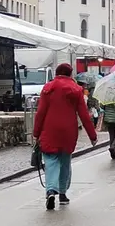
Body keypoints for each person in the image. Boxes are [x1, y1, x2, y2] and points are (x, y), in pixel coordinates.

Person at [33, 63, 97, 209]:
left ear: (56, 73)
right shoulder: (76, 90)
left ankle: (50, 190)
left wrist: (36, 133)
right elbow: (84, 115)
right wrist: (92, 136)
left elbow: (40, 113)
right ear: (70, 74)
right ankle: (62, 193)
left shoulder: (48, 88)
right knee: (65, 162)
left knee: (50, 162)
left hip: (49, 130)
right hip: (69, 130)